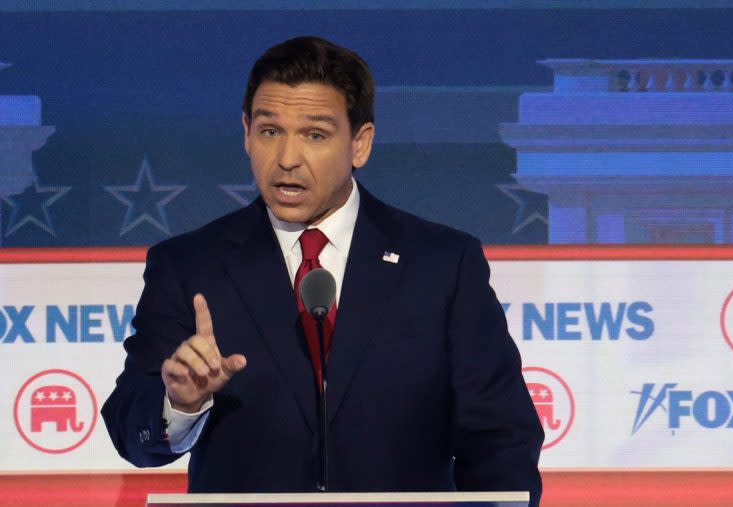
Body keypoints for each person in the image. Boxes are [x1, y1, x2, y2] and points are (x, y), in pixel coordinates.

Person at [101, 35, 543, 505]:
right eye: (270, 131)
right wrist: (181, 405)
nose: (287, 158)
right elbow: (132, 430)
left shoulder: (442, 265)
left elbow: (500, 438)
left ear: (360, 144)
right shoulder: (189, 265)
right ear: (246, 132)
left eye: (315, 134)